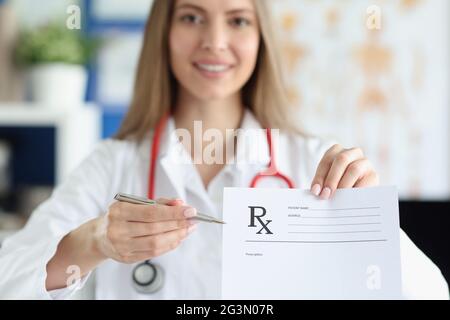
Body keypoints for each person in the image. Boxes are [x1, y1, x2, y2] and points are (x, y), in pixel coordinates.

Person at [0, 0, 448, 299]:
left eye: (237, 19)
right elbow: (8, 280)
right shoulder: (111, 165)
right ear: (164, 32)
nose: (214, 41)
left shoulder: (314, 162)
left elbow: (430, 294)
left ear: (260, 38)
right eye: (192, 16)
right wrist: (94, 242)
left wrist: (369, 223)